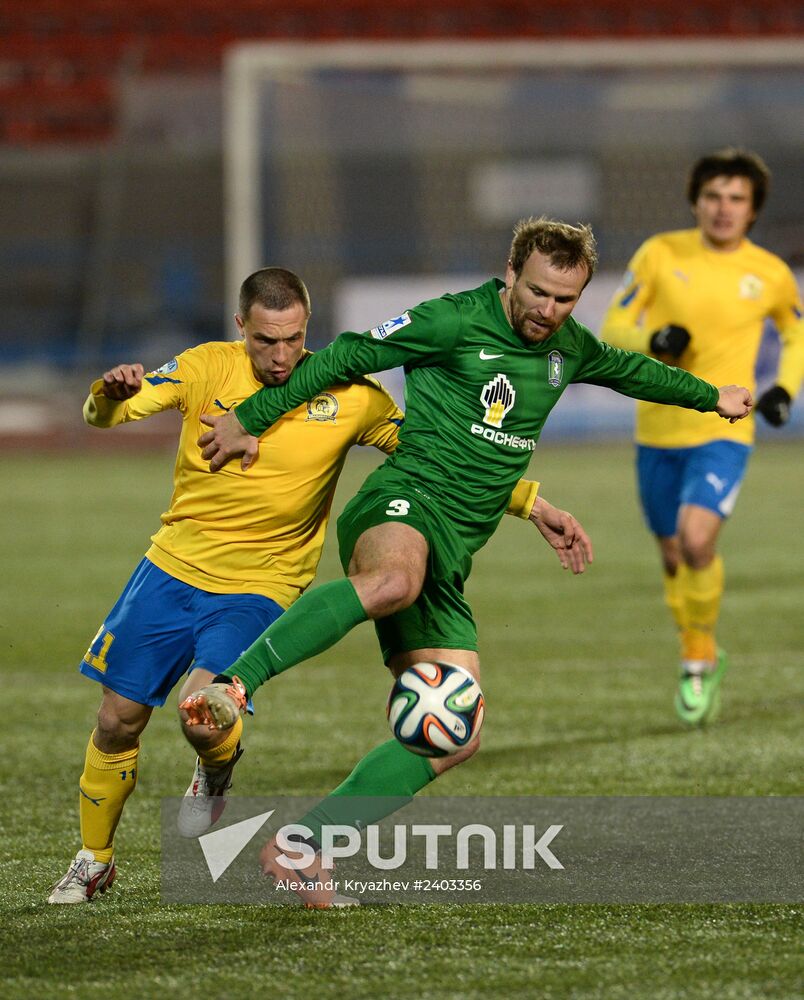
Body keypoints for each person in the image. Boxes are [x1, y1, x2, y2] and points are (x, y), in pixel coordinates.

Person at [180, 217, 753, 907]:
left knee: (454, 732)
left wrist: (710, 397)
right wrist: (254, 416)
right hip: (402, 501)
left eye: (565, 299)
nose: (548, 311)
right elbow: (347, 355)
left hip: (453, 551)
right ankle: (236, 686)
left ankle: (304, 847)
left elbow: (632, 371)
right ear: (511, 274)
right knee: (393, 579)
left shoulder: (567, 348)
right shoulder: (451, 321)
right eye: (538, 292)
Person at [48, 265, 560, 905]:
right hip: (171, 567)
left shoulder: (350, 394)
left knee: (201, 716)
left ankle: (214, 765)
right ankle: (95, 859)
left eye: (293, 339)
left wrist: (528, 501)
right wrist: (107, 391)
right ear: (242, 328)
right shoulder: (205, 367)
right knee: (117, 720)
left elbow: (430, 456)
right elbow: (108, 414)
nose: (282, 355)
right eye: (266, 341)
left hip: (263, 584)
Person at [599, 148, 804, 726]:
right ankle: (700, 650)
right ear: (696, 200)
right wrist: (655, 338)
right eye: (713, 196)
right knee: (671, 556)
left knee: (695, 540)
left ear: (753, 210)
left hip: (726, 429)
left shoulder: (769, 273)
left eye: (736, 199)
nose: (723, 208)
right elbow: (615, 325)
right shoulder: (660, 254)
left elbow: (795, 333)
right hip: (657, 429)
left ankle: (696, 661)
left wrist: (783, 388)